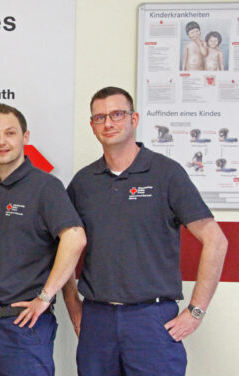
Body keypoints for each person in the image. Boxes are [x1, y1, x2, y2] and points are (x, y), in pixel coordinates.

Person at [63, 86, 228, 376]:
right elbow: (62, 249)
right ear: (92, 125)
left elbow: (216, 240)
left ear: (134, 119)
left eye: (117, 114)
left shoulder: (166, 173)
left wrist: (196, 311)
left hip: (151, 319)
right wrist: (74, 306)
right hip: (97, 319)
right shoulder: (83, 183)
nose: (108, 123)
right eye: (100, 117)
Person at [0, 103, 86, 376]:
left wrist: (45, 296)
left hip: (25, 327)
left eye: (10, 133)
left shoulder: (46, 187)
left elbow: (75, 238)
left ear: (25, 137)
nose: (1, 141)